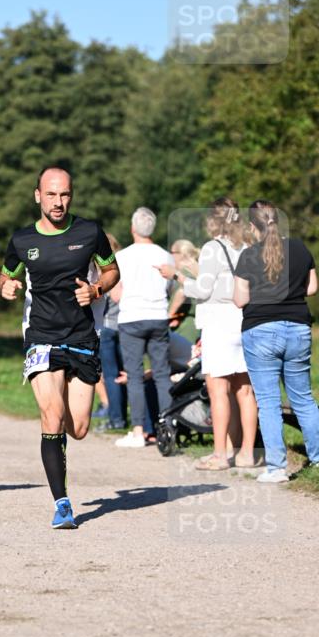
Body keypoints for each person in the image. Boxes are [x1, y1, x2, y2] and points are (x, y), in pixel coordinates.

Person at [0, 166, 119, 529]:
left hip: (82, 337)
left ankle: (61, 424)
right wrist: (5, 286)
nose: (58, 202)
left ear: (71, 195)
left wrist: (96, 290)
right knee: (51, 415)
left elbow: (112, 271)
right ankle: (62, 503)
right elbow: (6, 274)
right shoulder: (22, 240)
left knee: (78, 427)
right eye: (51, 195)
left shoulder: (89, 232)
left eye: (64, 194)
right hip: (41, 336)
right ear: (38, 196)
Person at [233, 199, 319, 483]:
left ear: (253, 226)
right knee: (302, 398)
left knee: (268, 402)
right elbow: (311, 287)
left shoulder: (248, 256)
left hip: (260, 330)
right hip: (298, 328)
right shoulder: (300, 249)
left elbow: (240, 299)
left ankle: (276, 468)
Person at [161, 197, 258, 470]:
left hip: (219, 323)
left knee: (218, 391)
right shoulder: (247, 246)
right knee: (245, 391)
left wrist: (176, 276)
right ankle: (245, 453)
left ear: (213, 221)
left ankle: (219, 455)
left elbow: (202, 290)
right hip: (245, 321)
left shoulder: (213, 248)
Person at [113, 207, 174, 449]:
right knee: (161, 375)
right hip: (158, 316)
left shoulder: (123, 257)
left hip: (131, 318)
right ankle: (169, 426)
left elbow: (116, 293)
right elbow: (170, 288)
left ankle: (138, 431)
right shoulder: (165, 256)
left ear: (132, 228)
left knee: (135, 377)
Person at [97, 233, 127, 431]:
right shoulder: (126, 266)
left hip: (107, 326)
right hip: (125, 325)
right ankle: (124, 415)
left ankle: (116, 419)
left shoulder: (105, 271)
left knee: (110, 375)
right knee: (124, 374)